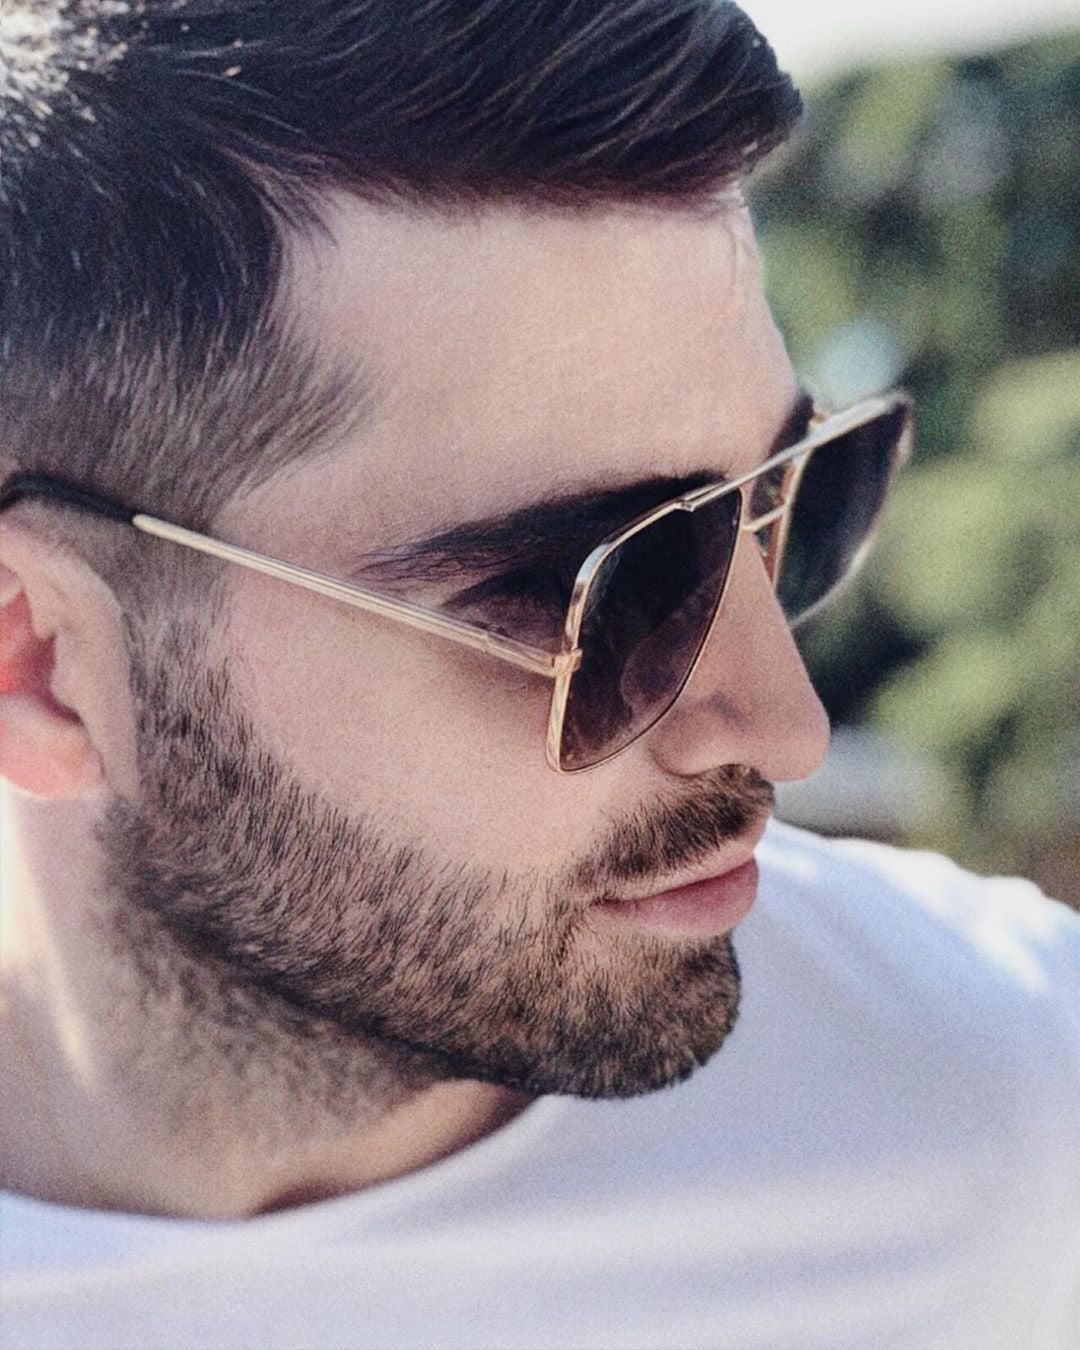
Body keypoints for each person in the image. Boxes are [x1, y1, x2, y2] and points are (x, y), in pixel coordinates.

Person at [1, 2, 1077, 1346]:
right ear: (41, 663)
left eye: (795, 498)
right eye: (595, 589)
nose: (786, 726)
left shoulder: (1012, 1118)